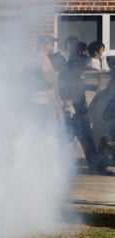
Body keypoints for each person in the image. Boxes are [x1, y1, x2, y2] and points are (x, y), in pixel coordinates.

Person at [58, 40, 113, 175]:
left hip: (77, 106)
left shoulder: (75, 64)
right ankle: (96, 166)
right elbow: (69, 85)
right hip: (75, 107)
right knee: (78, 136)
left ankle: (95, 165)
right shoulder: (74, 64)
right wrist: (69, 102)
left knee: (79, 136)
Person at [31, 35, 64, 129]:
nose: (53, 47)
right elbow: (48, 79)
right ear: (46, 46)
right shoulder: (43, 58)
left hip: (36, 99)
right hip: (43, 101)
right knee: (47, 129)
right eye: (52, 45)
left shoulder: (35, 57)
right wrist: (56, 75)